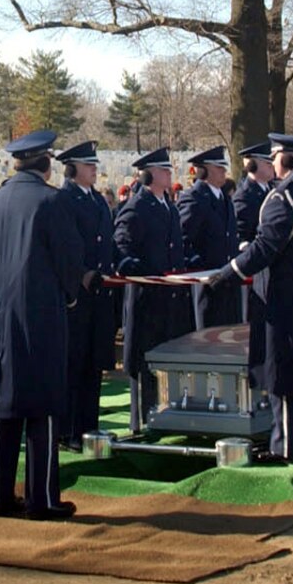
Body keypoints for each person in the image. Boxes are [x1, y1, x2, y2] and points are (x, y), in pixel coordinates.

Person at [207, 134, 293, 464]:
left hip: (285, 300)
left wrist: (228, 273)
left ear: (282, 159)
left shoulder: (284, 198)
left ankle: (287, 450)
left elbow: (266, 247)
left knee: (286, 376)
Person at [0, 131, 79, 519]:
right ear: (45, 162)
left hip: (0, 314)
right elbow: (68, 260)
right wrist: (69, 296)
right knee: (44, 407)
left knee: (4, 407)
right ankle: (42, 498)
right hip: (40, 315)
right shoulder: (53, 201)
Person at [114, 147, 188, 422]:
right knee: (145, 364)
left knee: (167, 361)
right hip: (147, 300)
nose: (169, 174)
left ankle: (166, 416)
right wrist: (142, 271)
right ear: (150, 174)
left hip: (169, 299)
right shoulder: (137, 207)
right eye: (164, 170)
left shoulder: (168, 206)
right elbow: (122, 248)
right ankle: (142, 420)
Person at [54, 140, 115, 446]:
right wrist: (81, 274)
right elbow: (65, 247)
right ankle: (67, 430)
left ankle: (88, 426)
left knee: (93, 363)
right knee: (74, 363)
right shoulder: (64, 200)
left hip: (99, 294)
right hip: (76, 296)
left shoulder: (97, 200)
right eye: (89, 165)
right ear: (73, 167)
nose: (94, 170)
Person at [178, 146, 240, 328]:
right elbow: (183, 238)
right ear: (205, 170)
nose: (224, 171)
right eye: (219, 167)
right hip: (206, 282)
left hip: (226, 280)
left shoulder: (224, 199)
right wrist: (196, 261)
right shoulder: (194, 198)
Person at [232, 142, 275, 246]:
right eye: (268, 163)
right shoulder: (244, 196)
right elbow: (242, 235)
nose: (272, 166)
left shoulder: (273, 188)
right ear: (253, 165)